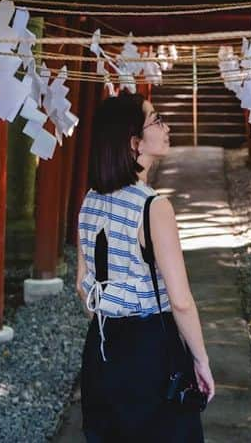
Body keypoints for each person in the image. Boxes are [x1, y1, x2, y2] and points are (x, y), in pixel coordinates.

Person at [75, 91, 215, 442]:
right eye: (156, 120)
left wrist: (114, 319)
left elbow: (82, 284)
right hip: (151, 347)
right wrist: (201, 360)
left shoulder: (90, 200)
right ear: (134, 141)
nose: (165, 126)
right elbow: (180, 300)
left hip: (101, 345)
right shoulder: (153, 207)